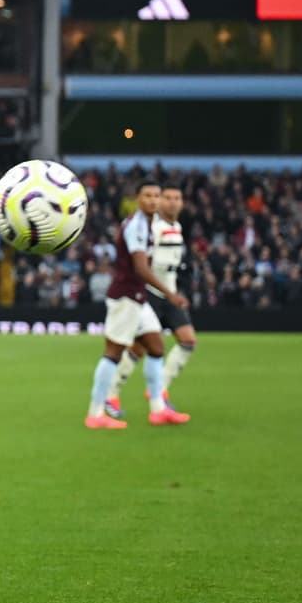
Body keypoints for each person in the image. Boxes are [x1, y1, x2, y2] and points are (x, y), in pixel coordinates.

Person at [86, 179, 189, 429]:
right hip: (126, 296)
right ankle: (95, 413)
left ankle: (158, 410)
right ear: (137, 199)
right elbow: (141, 268)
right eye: (148, 196)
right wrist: (169, 293)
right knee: (113, 353)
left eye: (156, 195)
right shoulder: (137, 226)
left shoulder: (148, 223)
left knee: (155, 346)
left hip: (137, 297)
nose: (153, 200)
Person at [109, 183, 198, 415]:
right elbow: (141, 263)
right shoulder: (152, 228)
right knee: (140, 348)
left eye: (176, 198)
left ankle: (160, 390)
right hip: (151, 293)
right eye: (167, 198)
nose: (172, 202)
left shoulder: (177, 227)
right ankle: (112, 393)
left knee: (188, 341)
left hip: (170, 294)